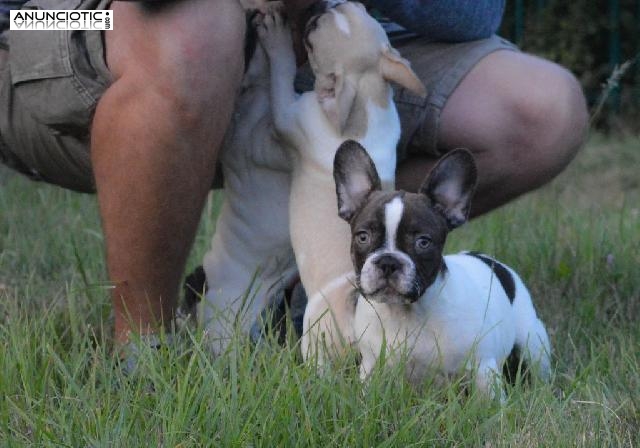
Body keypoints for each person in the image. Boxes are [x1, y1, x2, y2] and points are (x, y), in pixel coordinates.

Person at [0, 0, 588, 354]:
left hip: (323, 51)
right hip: (58, 14)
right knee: (197, 26)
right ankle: (143, 345)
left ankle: (305, 292)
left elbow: (474, 12)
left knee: (540, 107)